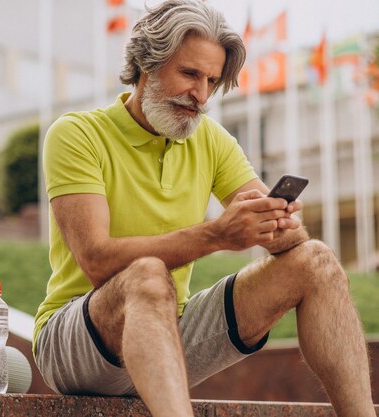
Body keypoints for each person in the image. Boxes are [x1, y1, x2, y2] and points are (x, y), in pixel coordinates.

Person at [32, 1, 375, 416]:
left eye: (212, 80)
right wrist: (216, 235)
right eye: (190, 74)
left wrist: (278, 222)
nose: (202, 94)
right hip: (77, 341)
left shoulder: (210, 138)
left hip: (169, 336)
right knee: (147, 273)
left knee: (316, 260)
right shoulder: (77, 134)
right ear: (146, 63)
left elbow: (288, 240)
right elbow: (97, 261)